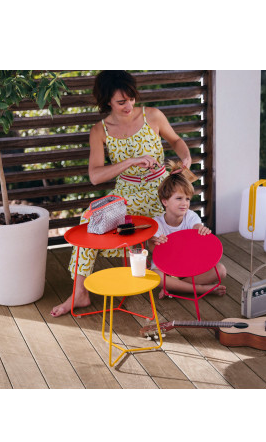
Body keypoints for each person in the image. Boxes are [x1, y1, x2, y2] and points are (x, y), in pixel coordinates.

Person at [51, 71, 192, 317]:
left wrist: (186, 157)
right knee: (90, 220)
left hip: (161, 191)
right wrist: (130, 161)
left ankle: (173, 276)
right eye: (121, 102)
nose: (128, 106)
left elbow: (176, 140)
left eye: (131, 99)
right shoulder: (100, 130)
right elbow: (95, 176)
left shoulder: (152, 116)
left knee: (172, 227)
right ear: (107, 101)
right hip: (126, 194)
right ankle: (79, 292)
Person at [148, 172, 227, 299]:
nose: (184, 203)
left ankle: (174, 287)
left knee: (221, 270)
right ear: (165, 201)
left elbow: (196, 226)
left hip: (189, 264)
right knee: (156, 276)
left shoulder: (190, 216)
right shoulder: (156, 223)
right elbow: (152, 245)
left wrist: (201, 229)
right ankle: (200, 289)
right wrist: (156, 241)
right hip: (166, 267)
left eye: (187, 199)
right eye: (179, 198)